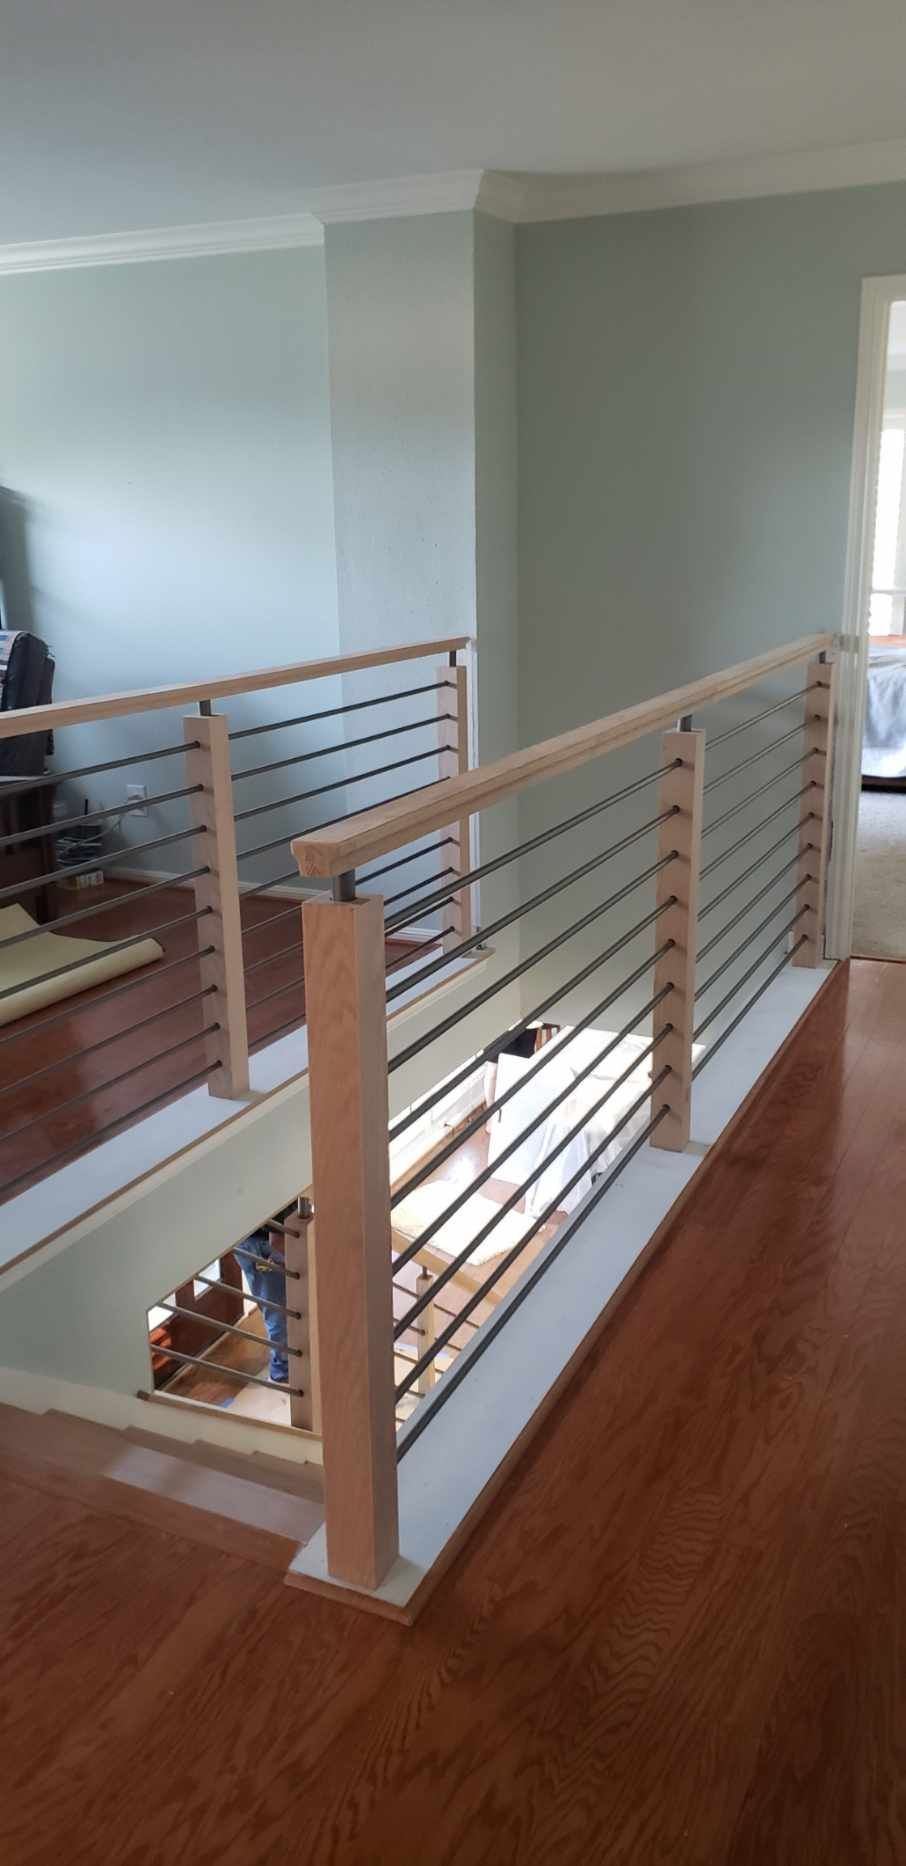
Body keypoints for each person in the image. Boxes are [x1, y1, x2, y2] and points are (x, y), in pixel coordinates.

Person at [235, 1211, 294, 1385]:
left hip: (249, 1238)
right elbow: (277, 1241)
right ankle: (282, 1373)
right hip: (260, 1244)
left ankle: (286, 1366)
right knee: (278, 1311)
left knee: (278, 1308)